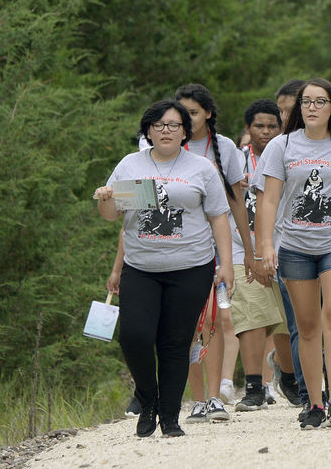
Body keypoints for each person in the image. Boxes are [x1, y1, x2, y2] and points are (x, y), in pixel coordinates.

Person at [95, 100, 235, 438]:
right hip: (141, 267)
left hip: (191, 267)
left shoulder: (201, 169)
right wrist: (104, 197)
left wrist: (227, 264)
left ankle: (169, 417)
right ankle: (147, 398)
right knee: (134, 335)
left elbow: (218, 216)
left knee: (174, 343)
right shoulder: (130, 165)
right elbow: (113, 215)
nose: (166, 131)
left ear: (185, 131)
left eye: (174, 125)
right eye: (159, 125)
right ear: (148, 131)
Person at [254, 79, 331, 429]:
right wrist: (265, 245)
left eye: (319, 101)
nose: (311, 107)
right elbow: (269, 200)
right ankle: (314, 404)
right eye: (306, 101)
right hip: (295, 248)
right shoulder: (281, 146)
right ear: (298, 109)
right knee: (307, 328)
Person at [174, 83, 250, 423]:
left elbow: (236, 201)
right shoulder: (168, 145)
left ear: (207, 113)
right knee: (190, 322)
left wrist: (249, 249)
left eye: (193, 113)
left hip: (220, 247)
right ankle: (197, 399)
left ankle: (217, 396)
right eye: (182, 113)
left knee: (217, 319)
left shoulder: (225, 147)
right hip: (179, 246)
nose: (187, 120)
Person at [232, 99, 297, 411]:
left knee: (287, 320)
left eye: (273, 126)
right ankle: (254, 386)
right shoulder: (234, 161)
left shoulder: (289, 157)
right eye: (259, 126)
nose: (266, 132)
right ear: (248, 129)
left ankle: (288, 376)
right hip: (243, 249)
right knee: (253, 316)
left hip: (284, 245)